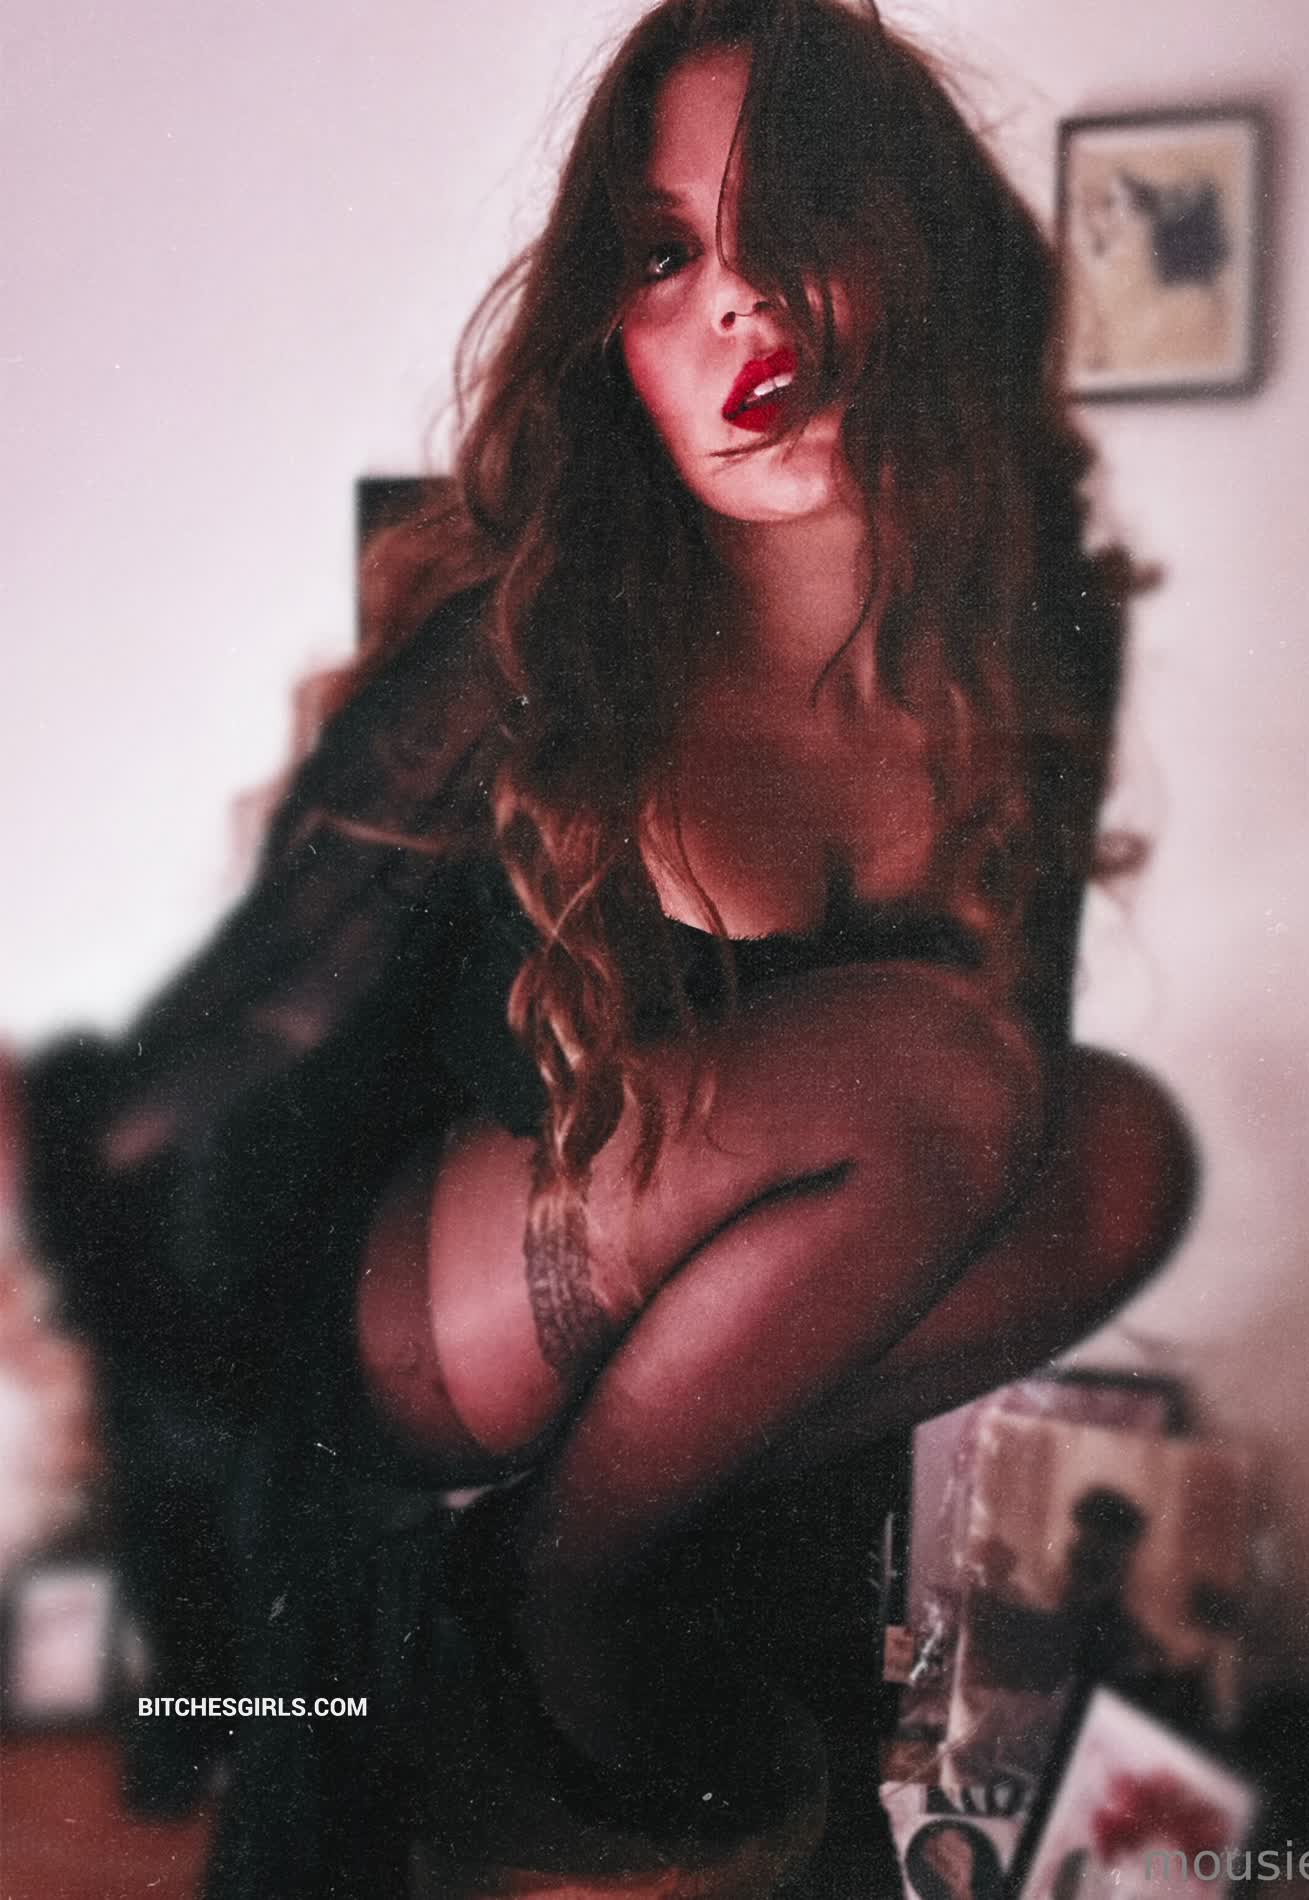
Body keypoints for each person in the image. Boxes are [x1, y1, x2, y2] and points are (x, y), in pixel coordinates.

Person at [0, 0, 1196, 1893]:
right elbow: (229, 1072)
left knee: (1114, 1149)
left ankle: (571, 1561)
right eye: (661, 254)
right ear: (606, 336)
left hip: (686, 1333)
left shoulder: (1019, 648)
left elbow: (988, 1163)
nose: (740, 302)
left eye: (800, 219)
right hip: (409, 1322)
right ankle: (535, 1604)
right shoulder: (516, 649)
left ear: (925, 255)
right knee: (941, 1068)